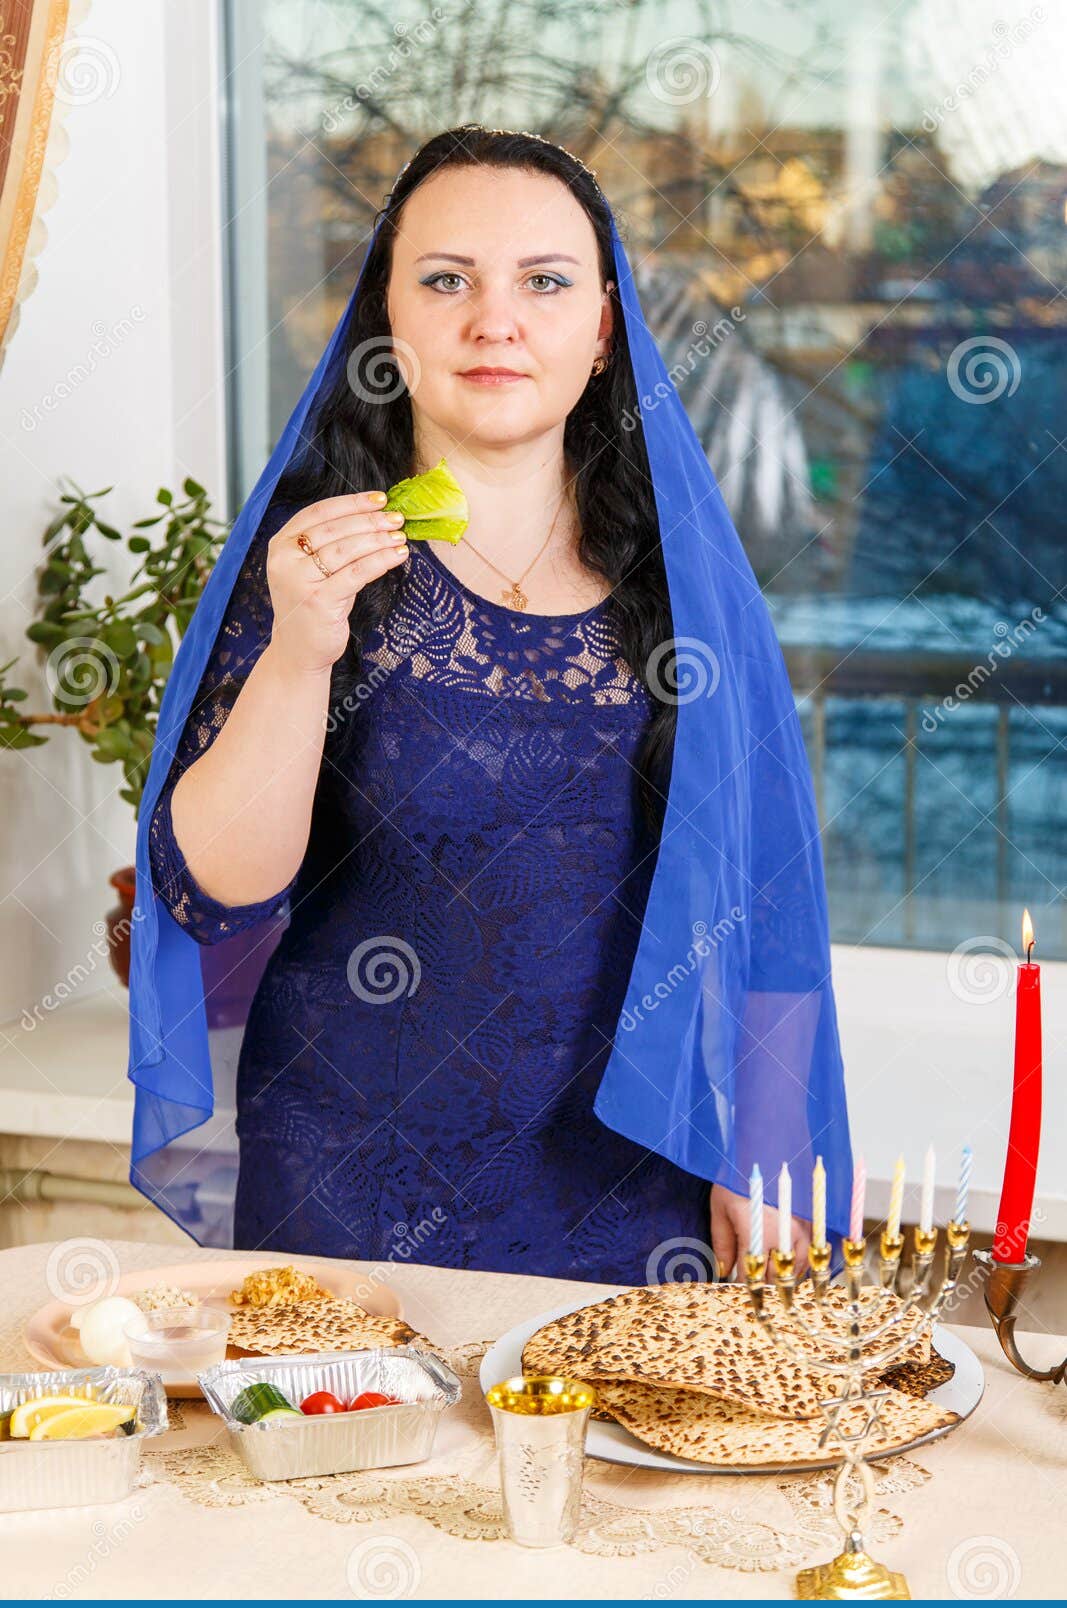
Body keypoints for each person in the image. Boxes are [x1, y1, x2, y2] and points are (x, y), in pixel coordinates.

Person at [131, 125, 851, 1281]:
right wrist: (301, 653)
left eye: (544, 282)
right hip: (343, 1191)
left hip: (633, 1177)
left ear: (604, 326)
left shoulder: (685, 589)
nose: (493, 320)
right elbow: (212, 892)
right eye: (446, 279)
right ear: (387, 315)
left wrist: (762, 1147)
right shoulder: (311, 565)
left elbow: (764, 891)